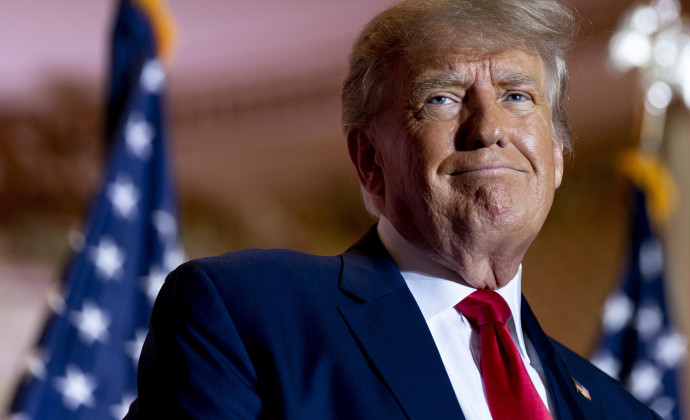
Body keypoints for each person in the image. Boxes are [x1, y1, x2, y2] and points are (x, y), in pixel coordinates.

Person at [126, 0, 662, 418]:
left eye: (517, 96)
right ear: (370, 161)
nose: (490, 128)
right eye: (442, 98)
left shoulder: (622, 411)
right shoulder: (249, 317)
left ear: (558, 157)